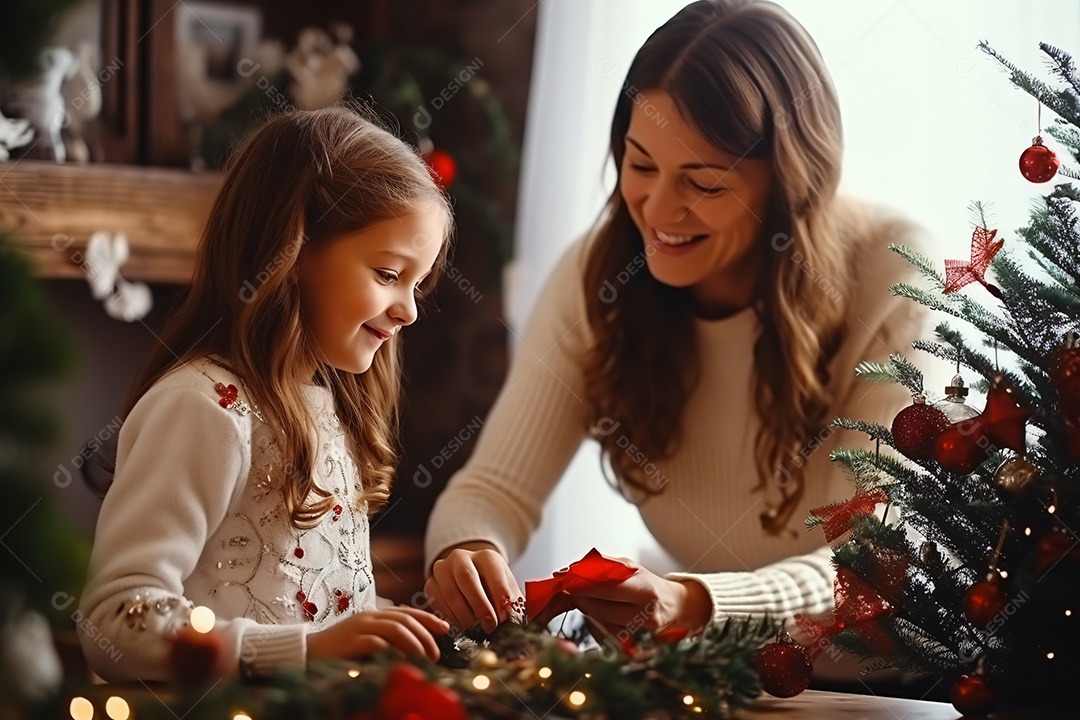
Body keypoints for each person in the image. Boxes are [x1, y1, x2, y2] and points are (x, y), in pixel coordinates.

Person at [424, 0, 928, 645]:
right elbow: (492, 489)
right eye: (640, 165)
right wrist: (468, 548)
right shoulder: (601, 275)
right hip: (701, 682)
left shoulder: (891, 270)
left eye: (705, 184)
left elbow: (875, 558)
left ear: (791, 183)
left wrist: (693, 603)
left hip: (884, 689)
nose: (658, 210)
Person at [78, 106, 454, 681]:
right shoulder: (201, 407)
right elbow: (114, 621)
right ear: (295, 253)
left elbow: (310, 608)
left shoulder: (326, 407)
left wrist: (394, 630)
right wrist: (306, 651)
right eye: (387, 274)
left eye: (417, 285)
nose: (408, 310)